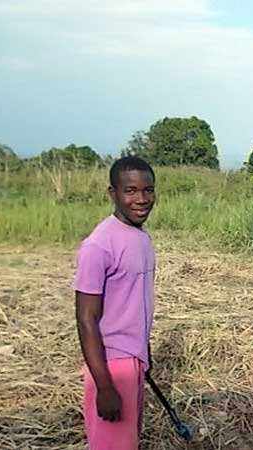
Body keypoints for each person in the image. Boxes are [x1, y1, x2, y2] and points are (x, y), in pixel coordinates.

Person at [74, 156, 156, 450]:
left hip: (133, 359)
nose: (141, 199)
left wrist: (143, 354)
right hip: (112, 365)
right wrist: (105, 386)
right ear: (113, 193)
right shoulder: (98, 245)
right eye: (130, 191)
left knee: (127, 442)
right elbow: (86, 319)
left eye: (148, 190)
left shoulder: (141, 237)